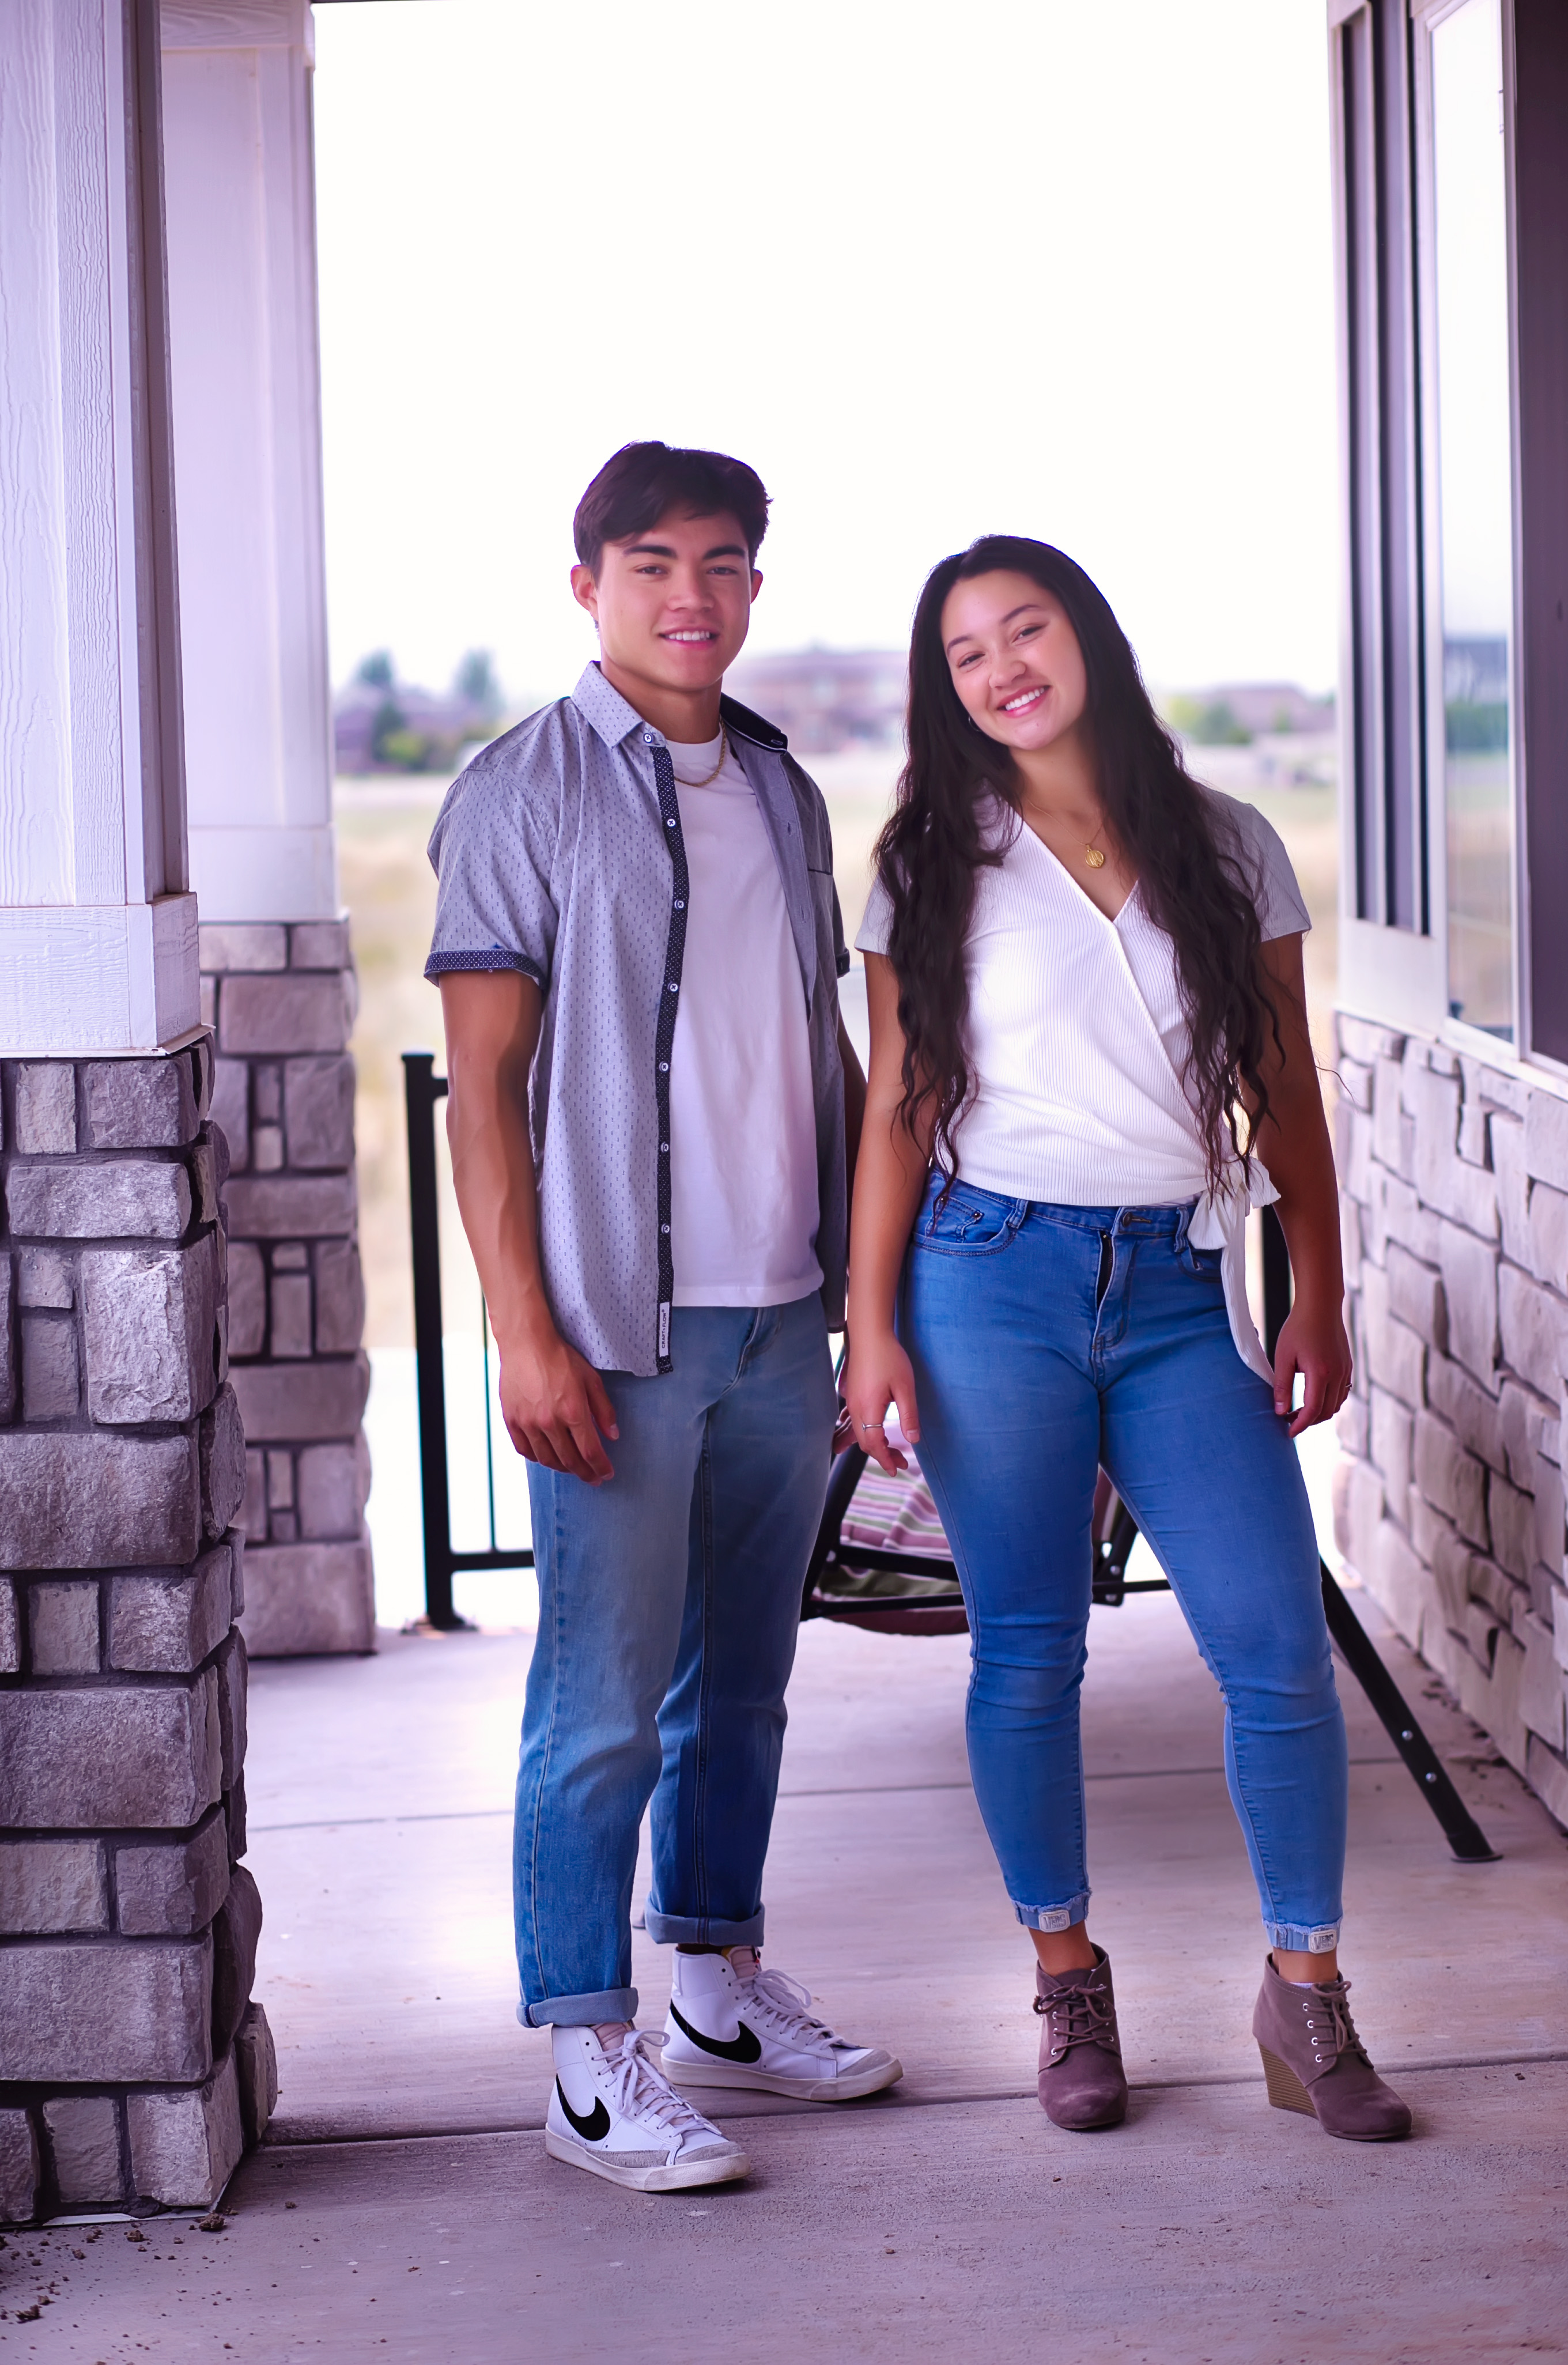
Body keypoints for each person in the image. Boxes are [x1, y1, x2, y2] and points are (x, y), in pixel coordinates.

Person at [842, 535, 1410, 2144]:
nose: (1002, 668)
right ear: (945, 688)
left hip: (1181, 1287)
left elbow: (1283, 1089)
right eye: (966, 652)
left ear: (1085, 635)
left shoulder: (1226, 844)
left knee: (1274, 1647)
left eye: (1025, 629)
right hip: (988, 1280)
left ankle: (1305, 1996)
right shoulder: (930, 862)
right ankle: (1066, 1978)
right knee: (1028, 1654)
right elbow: (899, 1106)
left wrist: (1319, 1290)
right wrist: (869, 1327)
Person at [426, 441, 901, 2195]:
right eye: (651, 564)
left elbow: (814, 1043)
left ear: (755, 588)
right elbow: (484, 1089)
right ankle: (585, 2052)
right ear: (588, 587)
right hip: (620, 1328)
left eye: (721, 564)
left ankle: (715, 1984)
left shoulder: (782, 787)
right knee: (603, 1701)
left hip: (782, 1315)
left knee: (745, 1688)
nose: (689, 596)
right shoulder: (520, 789)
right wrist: (522, 1328)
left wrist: (862, 1293)